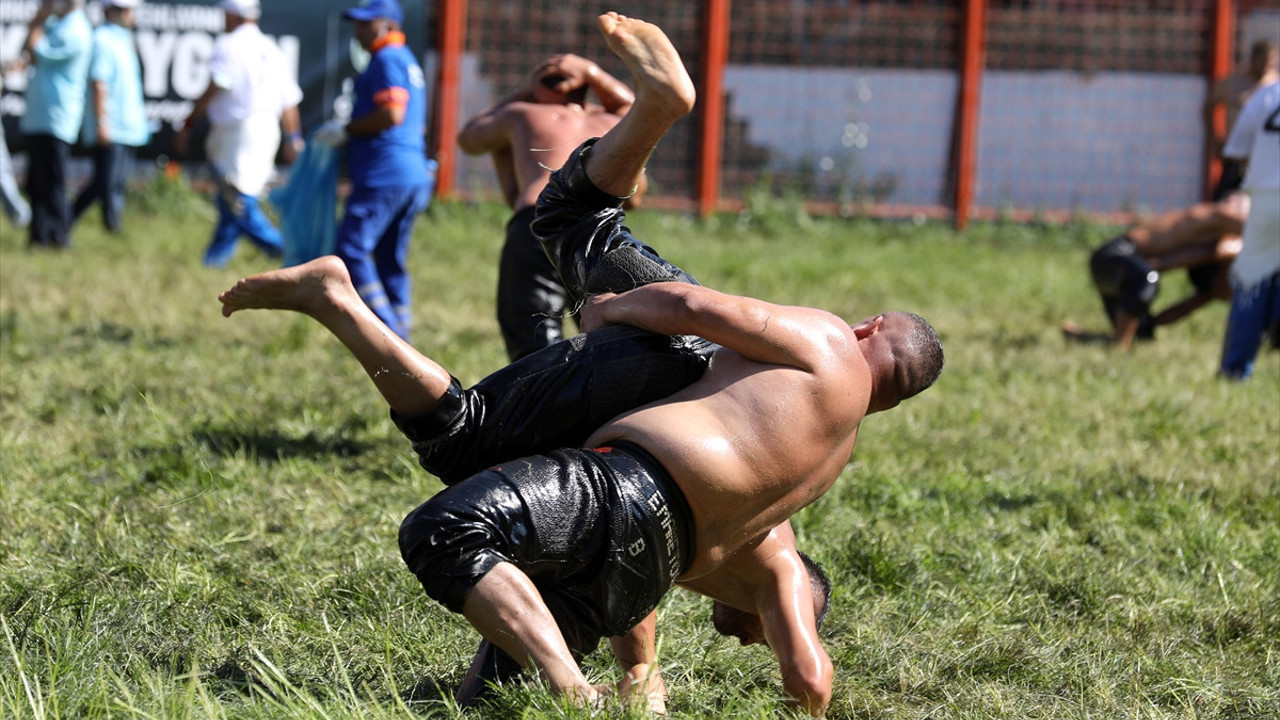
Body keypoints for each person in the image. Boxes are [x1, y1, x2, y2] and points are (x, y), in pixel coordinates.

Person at [219, 15, 943, 714]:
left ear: (871, 328)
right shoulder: (821, 458)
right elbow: (703, 329)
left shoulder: (821, 367)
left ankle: (339, 298)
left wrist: (644, 676)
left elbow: (700, 329)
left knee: (565, 232)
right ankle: (340, 300)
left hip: (662, 404)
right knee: (465, 438)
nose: (746, 632)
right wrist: (614, 312)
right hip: (663, 406)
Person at [458, 52, 639, 361]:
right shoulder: (616, 122)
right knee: (614, 333)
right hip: (601, 226)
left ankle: (548, 402)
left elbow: (469, 137)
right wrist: (592, 71)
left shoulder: (521, 113)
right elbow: (634, 105)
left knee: (534, 343)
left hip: (540, 222)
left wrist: (524, 94)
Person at [311, 0, 433, 341]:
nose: (359, 30)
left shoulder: (387, 58)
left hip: (385, 173)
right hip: (412, 174)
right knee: (388, 256)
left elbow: (392, 113)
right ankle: (403, 332)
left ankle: (388, 334)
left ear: (388, 25)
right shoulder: (405, 58)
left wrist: (347, 129)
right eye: (357, 23)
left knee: (351, 247)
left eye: (368, 23)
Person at [174, 0, 303, 268]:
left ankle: (286, 251)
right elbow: (289, 102)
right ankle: (215, 259)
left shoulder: (229, 45)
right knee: (230, 198)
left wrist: (189, 122)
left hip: (238, 133)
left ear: (232, 14)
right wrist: (293, 138)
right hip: (266, 131)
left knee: (238, 200)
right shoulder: (271, 48)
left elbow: (217, 85)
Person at [1061, 196, 1248, 350]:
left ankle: (1095, 340)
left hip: (1126, 270)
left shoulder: (1210, 244)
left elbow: (1170, 277)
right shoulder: (1220, 214)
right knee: (1146, 280)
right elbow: (1262, 230)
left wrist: (1209, 293)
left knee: (1142, 331)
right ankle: (1119, 348)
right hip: (1113, 256)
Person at [9, 0, 92, 249]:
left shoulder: (76, 30)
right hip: (40, 116)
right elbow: (30, 54)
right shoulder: (59, 24)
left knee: (53, 182)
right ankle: (40, 236)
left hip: (57, 117)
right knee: (36, 181)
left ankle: (59, 237)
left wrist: (37, 20)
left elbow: (37, 51)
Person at [1217, 79, 1280, 380]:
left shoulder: (1267, 95)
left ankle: (1235, 369)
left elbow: (1237, 150)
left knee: (1251, 277)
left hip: (1267, 200)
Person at [70, 0, 149, 235]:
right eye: (125, 9)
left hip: (127, 127)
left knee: (115, 183)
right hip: (111, 127)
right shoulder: (102, 39)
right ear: (109, 11)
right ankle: (70, 219)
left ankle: (110, 226)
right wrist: (102, 123)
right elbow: (99, 82)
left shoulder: (124, 38)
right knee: (104, 183)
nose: (130, 14)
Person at [1204, 40, 1278, 201]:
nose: (1267, 64)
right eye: (1262, 59)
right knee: (1223, 201)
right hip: (1236, 155)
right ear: (1252, 59)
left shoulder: (1275, 87)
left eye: (1271, 60)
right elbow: (1209, 106)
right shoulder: (1234, 84)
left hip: (1264, 157)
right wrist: (1215, 139)